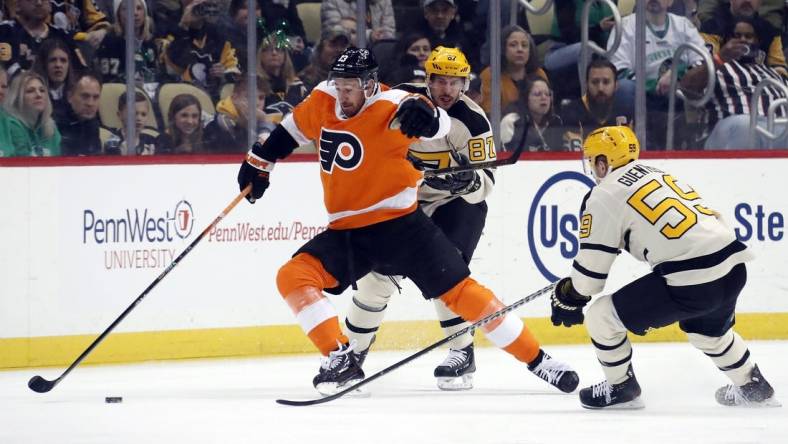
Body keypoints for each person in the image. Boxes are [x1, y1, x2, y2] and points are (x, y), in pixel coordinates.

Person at [236, 47, 579, 396]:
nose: (344, 93)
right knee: (300, 277)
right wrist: (261, 160)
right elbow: (291, 131)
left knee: (457, 288)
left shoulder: (411, 108)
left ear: (370, 84)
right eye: (339, 84)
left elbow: (437, 123)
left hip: (424, 216)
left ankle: (533, 359)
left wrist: (448, 150)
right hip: (351, 228)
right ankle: (343, 358)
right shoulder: (327, 98)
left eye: (351, 86)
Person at [549, 125, 779, 409]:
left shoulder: (604, 194)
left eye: (593, 160)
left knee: (601, 317)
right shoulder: (656, 173)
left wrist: (569, 295)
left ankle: (621, 388)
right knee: (707, 333)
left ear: (602, 161)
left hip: (692, 280)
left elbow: (589, 281)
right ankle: (754, 388)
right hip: (733, 266)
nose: (593, 168)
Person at [341, 47, 498, 391]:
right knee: (376, 277)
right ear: (426, 80)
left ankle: (461, 351)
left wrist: (469, 181)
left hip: (456, 204)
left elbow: (486, 185)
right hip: (405, 204)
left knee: (446, 270)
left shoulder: (472, 121)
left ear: (464, 83)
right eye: (439, 80)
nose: (446, 89)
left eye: (454, 82)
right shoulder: (401, 103)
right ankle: (351, 356)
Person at [607, 0, 707, 149]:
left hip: (678, 93)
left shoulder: (684, 25)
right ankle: (625, 146)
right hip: (641, 95)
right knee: (624, 88)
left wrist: (677, 74)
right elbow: (618, 72)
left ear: (671, 2)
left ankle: (682, 147)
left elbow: (704, 62)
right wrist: (655, 86)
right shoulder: (625, 26)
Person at [680, 15, 788, 149]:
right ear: (726, 41)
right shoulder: (713, 66)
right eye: (736, 36)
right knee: (745, 125)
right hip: (729, 127)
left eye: (749, 36)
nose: (743, 40)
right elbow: (687, 87)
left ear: (757, 42)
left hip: (774, 127)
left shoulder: (772, 73)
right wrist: (720, 58)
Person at [560, 58, 635, 151]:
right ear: (587, 84)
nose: (600, 88)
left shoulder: (627, 112)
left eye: (606, 82)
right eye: (595, 82)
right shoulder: (569, 113)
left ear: (616, 85)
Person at [699, 0, 788, 77]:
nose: (747, 1)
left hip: (762, 88)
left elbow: (779, 68)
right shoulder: (711, 27)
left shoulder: (770, 31)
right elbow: (706, 69)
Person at [479, 25, 547, 115]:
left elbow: (547, 110)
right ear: (503, 49)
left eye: (524, 45)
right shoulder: (490, 75)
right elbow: (488, 114)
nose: (520, 50)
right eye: (513, 45)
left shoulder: (539, 74)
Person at [94, 0, 161, 84]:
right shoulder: (110, 42)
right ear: (118, 14)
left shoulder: (150, 41)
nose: (135, 13)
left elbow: (156, 73)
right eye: (128, 9)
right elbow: (108, 79)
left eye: (139, 8)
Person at [204, 76, 276, 153]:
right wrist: (245, 125)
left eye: (261, 98)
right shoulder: (218, 123)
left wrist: (264, 123)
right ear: (234, 98)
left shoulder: (265, 119)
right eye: (250, 97)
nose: (257, 103)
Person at [3, 70, 62, 156]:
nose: (39, 95)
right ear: (17, 97)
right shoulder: (10, 125)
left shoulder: (51, 127)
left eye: (42, 90)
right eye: (30, 91)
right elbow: (22, 163)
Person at [501, 77, 566, 152]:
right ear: (526, 98)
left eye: (547, 94)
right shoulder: (511, 121)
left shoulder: (556, 121)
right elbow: (504, 155)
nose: (544, 97)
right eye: (538, 94)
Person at [256, 34, 308, 115]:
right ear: (261, 55)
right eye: (268, 49)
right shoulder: (254, 84)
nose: (274, 53)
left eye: (278, 49)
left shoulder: (297, 85)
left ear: (285, 55)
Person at [56, 71, 103, 156]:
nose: (90, 103)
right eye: (85, 96)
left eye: (96, 97)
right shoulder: (56, 124)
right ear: (70, 97)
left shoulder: (93, 124)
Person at [31, 38, 78, 120]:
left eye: (63, 60)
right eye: (52, 60)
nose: (58, 65)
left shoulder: (77, 92)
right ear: (43, 64)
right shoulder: (35, 94)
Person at [103, 91, 159, 155]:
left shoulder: (152, 142)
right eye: (134, 113)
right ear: (119, 115)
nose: (139, 118)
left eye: (143, 114)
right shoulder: (113, 143)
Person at [298, 27, 351, 92]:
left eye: (343, 46)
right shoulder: (305, 79)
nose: (339, 50)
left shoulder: (357, 79)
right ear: (320, 49)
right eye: (333, 45)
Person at [320, 0, 396, 44]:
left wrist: (382, 36)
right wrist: (369, 36)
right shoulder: (332, 1)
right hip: (342, 53)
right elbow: (334, 32)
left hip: (378, 52)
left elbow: (389, 31)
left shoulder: (384, 1)